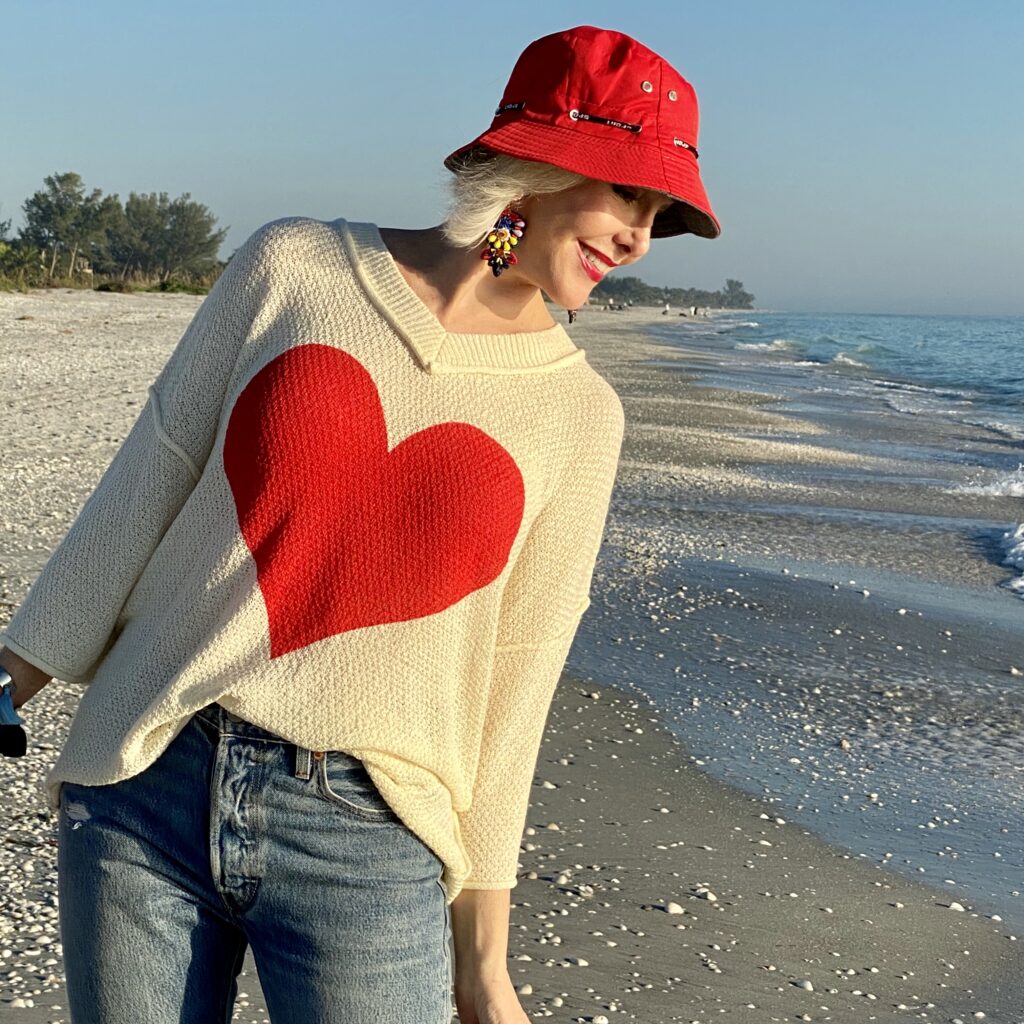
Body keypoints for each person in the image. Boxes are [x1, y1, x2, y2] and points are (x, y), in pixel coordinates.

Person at [0, 22, 719, 1024]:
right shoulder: (298, 268)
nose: (641, 235)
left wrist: (485, 964)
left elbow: (517, 687)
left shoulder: (579, 414)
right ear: (542, 162)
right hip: (145, 777)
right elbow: (148, 480)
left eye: (658, 212)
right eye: (629, 193)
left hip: (370, 839)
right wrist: (12, 677)